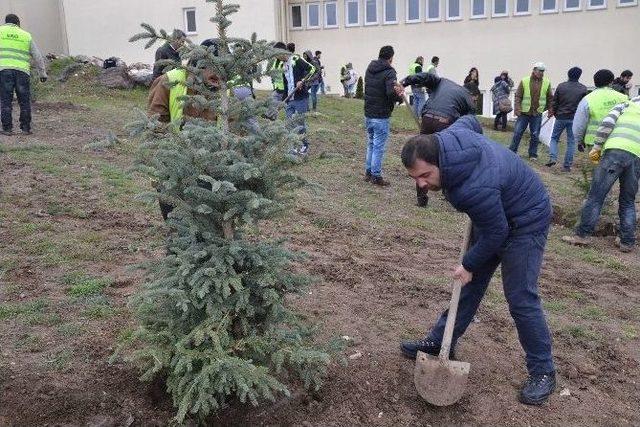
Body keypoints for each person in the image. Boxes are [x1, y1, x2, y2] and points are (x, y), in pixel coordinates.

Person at [400, 115, 556, 406]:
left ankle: (543, 371)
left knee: (521, 297)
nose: (421, 185)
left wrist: (469, 264)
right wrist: (471, 268)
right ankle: (439, 341)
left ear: (439, 162)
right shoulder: (451, 137)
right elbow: (470, 121)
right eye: (415, 179)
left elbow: (498, 232)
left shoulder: (469, 190)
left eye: (425, 176)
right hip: (495, 212)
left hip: (525, 219)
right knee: (467, 287)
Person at [147, 39, 221, 219]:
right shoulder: (170, 81)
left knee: (206, 228)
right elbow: (155, 124)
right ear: (200, 65)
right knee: (177, 226)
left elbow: (233, 127)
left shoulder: (223, 91)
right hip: (173, 168)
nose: (220, 77)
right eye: (215, 70)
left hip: (209, 171)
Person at [562, 96, 640, 253]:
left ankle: (582, 236)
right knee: (627, 200)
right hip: (637, 157)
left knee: (596, 196)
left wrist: (597, 146)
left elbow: (607, 124)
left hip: (615, 151)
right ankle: (627, 242)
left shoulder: (625, 105)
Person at [401, 67, 476, 207]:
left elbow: (424, 77)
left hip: (428, 117)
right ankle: (449, 195)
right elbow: (469, 123)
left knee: (420, 155)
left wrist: (405, 82)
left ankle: (421, 198)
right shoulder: (468, 97)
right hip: (446, 121)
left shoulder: (441, 82)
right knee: (445, 158)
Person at [0, 14, 47, 136]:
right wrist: (42, 73)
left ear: (6, 22)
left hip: (4, 71)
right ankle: (25, 128)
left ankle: (7, 129)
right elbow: (37, 55)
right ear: (18, 23)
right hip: (22, 72)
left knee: (6, 100)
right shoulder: (26, 35)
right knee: (24, 101)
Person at [363, 45, 404, 186]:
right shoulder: (390, 72)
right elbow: (390, 93)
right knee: (378, 146)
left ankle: (368, 172)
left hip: (368, 113)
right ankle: (376, 176)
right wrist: (399, 97)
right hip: (381, 115)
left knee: (371, 143)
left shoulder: (370, 68)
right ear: (391, 57)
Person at [572, 69, 628, 154]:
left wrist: (579, 141)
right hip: (618, 141)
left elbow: (579, 124)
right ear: (611, 82)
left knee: (598, 166)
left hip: (595, 143)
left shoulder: (587, 100)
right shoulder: (623, 98)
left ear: (595, 82)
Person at [545, 66, 587, 171]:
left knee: (554, 138)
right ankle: (567, 166)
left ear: (568, 74)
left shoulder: (561, 86)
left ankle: (553, 158)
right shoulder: (583, 88)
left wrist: (552, 112)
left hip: (561, 117)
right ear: (579, 76)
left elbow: (555, 101)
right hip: (574, 118)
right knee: (571, 142)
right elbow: (583, 106)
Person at [509, 62, 553, 160]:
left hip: (537, 113)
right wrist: (517, 108)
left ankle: (532, 154)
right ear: (534, 70)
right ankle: (512, 151)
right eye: (540, 71)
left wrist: (550, 110)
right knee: (517, 132)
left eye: (543, 71)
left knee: (535, 135)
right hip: (524, 113)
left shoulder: (546, 82)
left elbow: (550, 98)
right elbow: (518, 96)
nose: (541, 73)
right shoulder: (525, 81)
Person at [283, 44, 315, 155]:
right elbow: (285, 83)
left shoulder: (296, 59)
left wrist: (302, 80)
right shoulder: (283, 64)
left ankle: (304, 146)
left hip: (300, 97)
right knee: (288, 123)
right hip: (289, 98)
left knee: (300, 123)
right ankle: (292, 147)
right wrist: (284, 100)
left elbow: (312, 69)